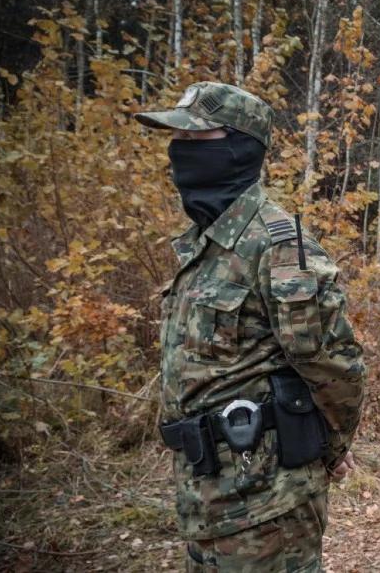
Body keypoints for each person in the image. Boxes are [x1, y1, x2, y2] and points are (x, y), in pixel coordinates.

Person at [136, 82, 367, 571]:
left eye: (196, 140)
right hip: (206, 493)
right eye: (177, 141)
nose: (179, 152)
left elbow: (333, 365)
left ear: (239, 149)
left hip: (266, 497)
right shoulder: (204, 246)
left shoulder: (276, 245)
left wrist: (333, 448)